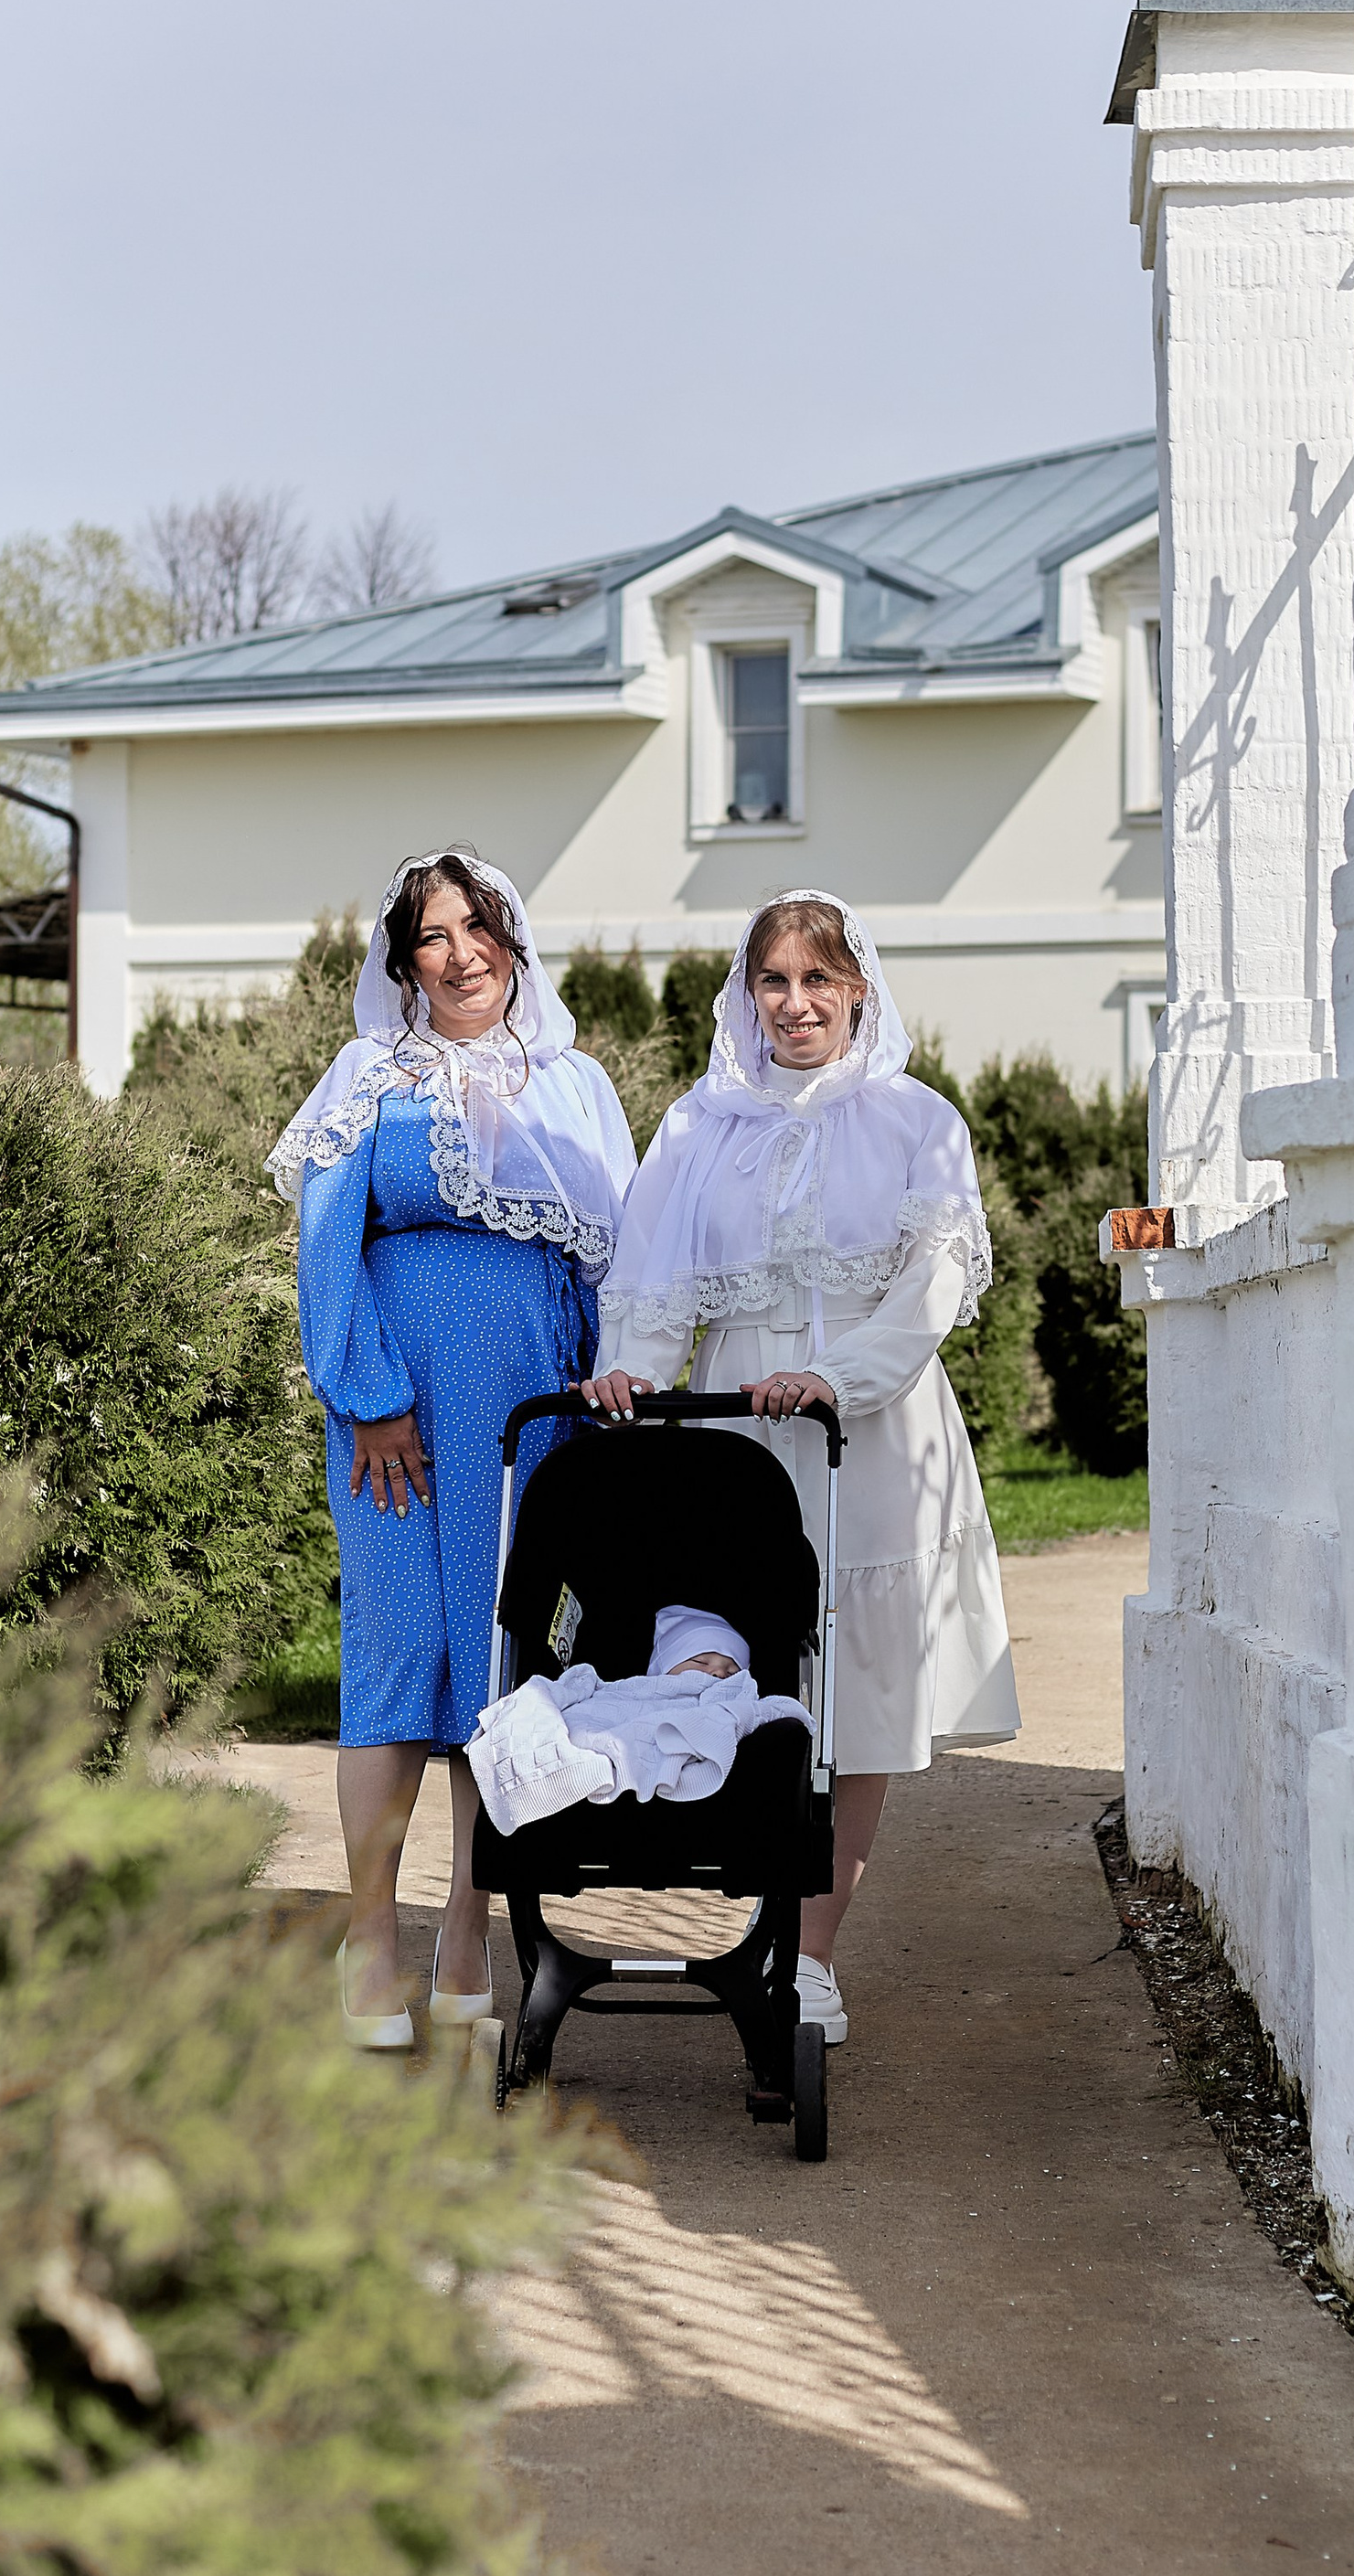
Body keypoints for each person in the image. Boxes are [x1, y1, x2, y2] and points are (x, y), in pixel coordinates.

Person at [581, 890, 1018, 2042]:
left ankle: (811, 1955)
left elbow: (931, 1284)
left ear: (858, 988)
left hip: (867, 1426)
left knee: (855, 1702)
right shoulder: (698, 1125)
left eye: (817, 981)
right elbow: (649, 1281)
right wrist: (627, 1371)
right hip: (735, 1433)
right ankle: (730, 1911)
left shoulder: (918, 1121)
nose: (795, 1003)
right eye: (774, 981)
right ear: (747, 994)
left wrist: (842, 1374)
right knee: (732, 1659)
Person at [270, 851, 636, 2046]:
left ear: (515, 942)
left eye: (481, 928)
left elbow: (617, 1261)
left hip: (534, 1409)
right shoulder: (368, 1075)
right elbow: (327, 1246)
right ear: (403, 960)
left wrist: (600, 1389)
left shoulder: (575, 1084)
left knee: (501, 1661)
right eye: (436, 936)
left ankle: (468, 1930)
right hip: (399, 1419)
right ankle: (372, 1941)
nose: (463, 952)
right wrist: (366, 1394)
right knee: (396, 1657)